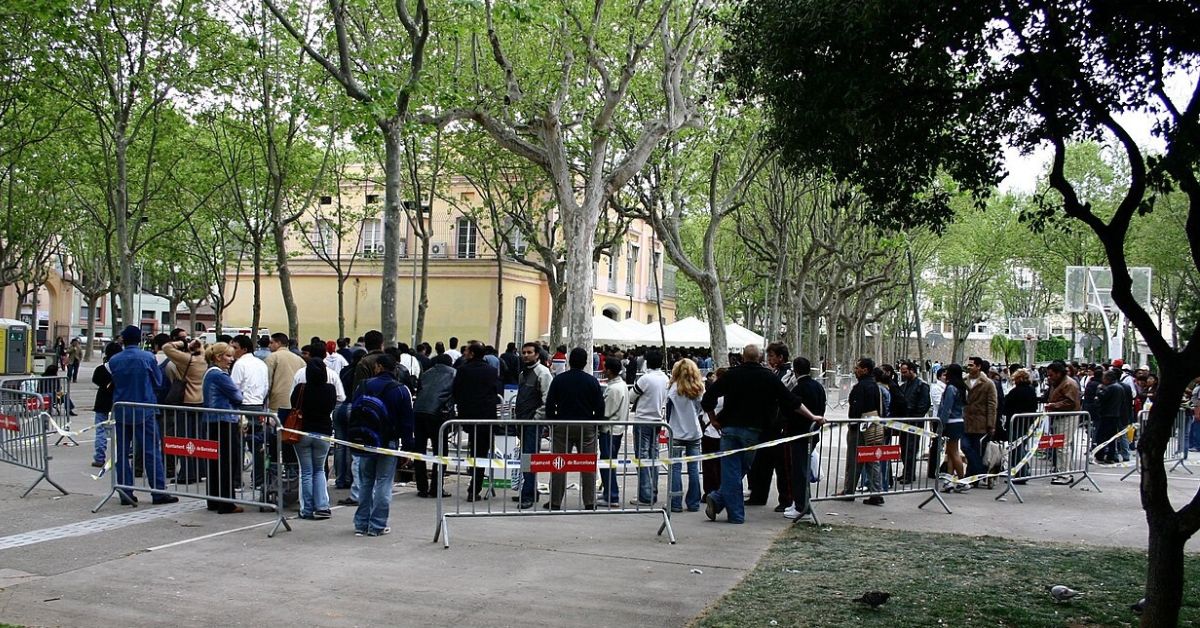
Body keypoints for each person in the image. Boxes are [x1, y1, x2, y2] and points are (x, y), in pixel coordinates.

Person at [701, 345, 824, 524]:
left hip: (730, 428)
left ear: (743, 357)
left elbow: (708, 398)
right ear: (759, 358)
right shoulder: (768, 377)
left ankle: (723, 502)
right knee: (740, 469)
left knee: (731, 470)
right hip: (753, 431)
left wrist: (713, 419)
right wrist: (812, 416)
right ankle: (727, 507)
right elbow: (791, 401)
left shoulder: (731, 375)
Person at [108, 326, 177, 506]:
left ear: (123, 340)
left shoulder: (115, 360)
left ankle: (125, 492)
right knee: (151, 451)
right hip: (144, 407)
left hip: (122, 408)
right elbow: (158, 381)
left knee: (122, 452)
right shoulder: (147, 357)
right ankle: (158, 492)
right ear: (140, 340)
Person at [352, 354, 414, 537]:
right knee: (384, 482)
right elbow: (407, 422)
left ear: (378, 366)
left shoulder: (363, 386)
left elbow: (354, 411)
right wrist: (407, 449)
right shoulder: (401, 390)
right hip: (388, 442)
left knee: (366, 481)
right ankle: (377, 525)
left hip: (366, 440)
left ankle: (361, 523)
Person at [543, 347, 604, 510]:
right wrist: (595, 424)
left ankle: (555, 501)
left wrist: (553, 422)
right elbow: (600, 406)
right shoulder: (592, 381)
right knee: (588, 465)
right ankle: (589, 501)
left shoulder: (559, 380)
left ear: (569, 361)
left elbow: (550, 404)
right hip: (586, 426)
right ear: (585, 362)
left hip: (562, 425)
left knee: (559, 463)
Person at [747, 343, 794, 511]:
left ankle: (786, 499)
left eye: (772, 356)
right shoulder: (773, 372)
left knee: (782, 466)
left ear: (781, 357)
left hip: (779, 426)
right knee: (761, 462)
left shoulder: (787, 374)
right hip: (767, 425)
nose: (769, 359)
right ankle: (758, 495)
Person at [452, 342, 502, 501]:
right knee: (481, 452)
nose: (464, 353)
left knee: (474, 451)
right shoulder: (491, 371)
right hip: (487, 416)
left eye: (467, 350)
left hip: (469, 416)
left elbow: (456, 391)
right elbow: (496, 390)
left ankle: (473, 485)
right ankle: (475, 487)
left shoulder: (463, 370)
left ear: (472, 353)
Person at [201, 342, 244, 514]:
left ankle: (214, 500)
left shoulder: (209, 373)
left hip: (211, 421)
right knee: (227, 462)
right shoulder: (220, 375)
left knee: (215, 461)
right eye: (228, 356)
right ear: (218, 357)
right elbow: (237, 396)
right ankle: (226, 502)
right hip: (224, 420)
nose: (231, 359)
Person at [291, 359, 337, 520]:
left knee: (306, 471)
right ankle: (322, 506)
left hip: (302, 432)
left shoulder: (301, 388)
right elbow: (332, 406)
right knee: (319, 470)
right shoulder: (330, 389)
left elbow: (293, 404)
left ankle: (307, 509)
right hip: (323, 432)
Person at [784, 357, 825, 520]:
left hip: (800, 433)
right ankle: (799, 502)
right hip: (813, 432)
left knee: (799, 471)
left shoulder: (799, 389)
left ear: (795, 370)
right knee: (802, 469)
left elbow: (791, 409)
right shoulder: (818, 386)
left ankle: (802, 506)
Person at [411, 353, 457, 498]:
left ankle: (422, 487)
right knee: (440, 452)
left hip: (418, 411)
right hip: (437, 414)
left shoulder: (426, 373)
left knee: (419, 450)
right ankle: (436, 488)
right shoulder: (454, 374)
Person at [839, 358, 884, 504]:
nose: (855, 370)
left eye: (857, 367)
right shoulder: (875, 386)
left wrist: (852, 424)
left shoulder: (860, 387)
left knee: (854, 460)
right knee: (872, 459)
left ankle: (849, 491)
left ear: (865, 370)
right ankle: (876, 493)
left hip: (859, 428)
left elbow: (856, 409)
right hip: (874, 427)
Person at [163, 338, 208, 484]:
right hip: (201, 401)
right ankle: (200, 471)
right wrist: (199, 345)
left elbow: (167, 347)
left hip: (186, 401)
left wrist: (182, 343)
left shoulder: (187, 360)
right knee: (199, 439)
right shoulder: (205, 359)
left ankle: (187, 473)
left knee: (185, 440)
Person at [514, 342, 553, 509]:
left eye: (529, 352)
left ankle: (528, 494)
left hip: (532, 423)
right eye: (523, 352)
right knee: (526, 459)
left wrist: (536, 418)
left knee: (530, 459)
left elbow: (547, 399)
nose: (526, 355)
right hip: (522, 421)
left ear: (537, 354)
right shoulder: (523, 373)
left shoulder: (543, 373)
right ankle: (530, 490)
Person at [629, 349, 670, 506]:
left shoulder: (645, 379)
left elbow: (632, 396)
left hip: (643, 420)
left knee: (642, 456)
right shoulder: (665, 378)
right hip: (658, 420)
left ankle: (645, 495)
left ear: (647, 362)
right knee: (654, 456)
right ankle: (652, 492)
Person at [666, 358, 705, 513]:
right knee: (693, 469)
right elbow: (700, 409)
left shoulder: (673, 389)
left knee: (675, 468)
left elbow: (668, 412)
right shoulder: (698, 389)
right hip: (694, 432)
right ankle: (693, 502)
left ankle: (675, 502)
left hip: (675, 432)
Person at [1043, 360, 1082, 483]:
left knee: (1063, 445)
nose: (1049, 377)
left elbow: (1071, 402)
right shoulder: (1058, 383)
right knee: (1059, 445)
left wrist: (1054, 405)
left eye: (1051, 375)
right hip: (1060, 417)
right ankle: (1062, 471)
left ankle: (1064, 474)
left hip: (1067, 417)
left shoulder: (1069, 383)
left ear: (1059, 373)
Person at [598, 356, 628, 507]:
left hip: (610, 430)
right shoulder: (621, 385)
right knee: (609, 462)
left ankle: (611, 495)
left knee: (607, 463)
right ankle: (609, 492)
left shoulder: (614, 389)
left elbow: (606, 412)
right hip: (616, 429)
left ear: (609, 371)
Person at [897, 360, 931, 484]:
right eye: (902, 372)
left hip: (914, 422)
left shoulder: (922, 386)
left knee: (911, 449)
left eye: (905, 372)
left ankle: (909, 474)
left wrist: (913, 415)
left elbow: (924, 405)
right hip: (904, 422)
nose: (903, 374)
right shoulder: (904, 386)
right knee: (904, 448)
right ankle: (906, 472)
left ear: (912, 371)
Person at [962, 356, 997, 479]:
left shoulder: (988, 383)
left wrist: (991, 424)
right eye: (968, 365)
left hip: (980, 422)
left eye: (971, 365)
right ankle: (981, 470)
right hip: (966, 421)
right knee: (965, 446)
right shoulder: (964, 381)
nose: (969, 367)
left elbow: (992, 405)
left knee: (977, 449)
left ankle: (972, 476)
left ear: (978, 366)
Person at [90, 342, 122, 468]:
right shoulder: (122, 368)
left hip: (102, 402)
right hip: (119, 401)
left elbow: (95, 380)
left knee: (100, 431)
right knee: (120, 431)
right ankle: (119, 457)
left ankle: (99, 457)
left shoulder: (101, 369)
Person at [1003, 368, 1039, 483]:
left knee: (1016, 448)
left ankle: (1021, 473)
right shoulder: (1031, 390)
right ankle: (1023, 470)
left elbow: (1006, 405)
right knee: (1021, 446)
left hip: (1016, 422)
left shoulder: (1015, 392)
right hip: (1027, 423)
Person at [938, 364, 968, 491]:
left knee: (954, 452)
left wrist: (941, 423)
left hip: (951, 422)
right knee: (950, 452)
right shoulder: (961, 388)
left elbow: (947, 408)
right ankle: (949, 480)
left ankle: (962, 480)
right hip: (959, 420)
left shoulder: (951, 388)